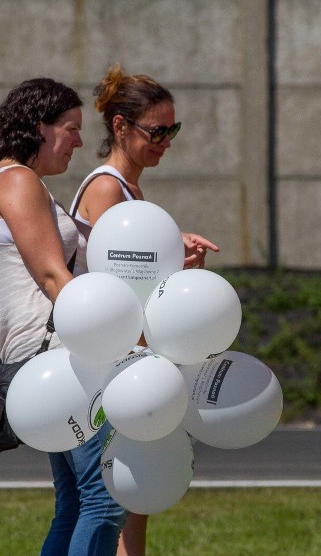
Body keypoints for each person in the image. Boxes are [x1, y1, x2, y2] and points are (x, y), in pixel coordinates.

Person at [69, 64, 218, 556]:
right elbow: (118, 286)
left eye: (172, 130)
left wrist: (178, 260)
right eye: (157, 131)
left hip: (124, 359)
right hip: (110, 365)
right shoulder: (108, 188)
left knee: (127, 504)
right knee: (113, 504)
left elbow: (138, 279)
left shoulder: (130, 192)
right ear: (120, 127)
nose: (166, 141)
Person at [0, 77, 126, 556]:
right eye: (71, 128)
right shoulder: (18, 182)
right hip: (59, 359)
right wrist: (111, 338)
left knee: (76, 503)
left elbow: (90, 244)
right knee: (103, 498)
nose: (80, 142)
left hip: (51, 359)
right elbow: (51, 278)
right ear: (38, 127)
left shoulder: (23, 184)